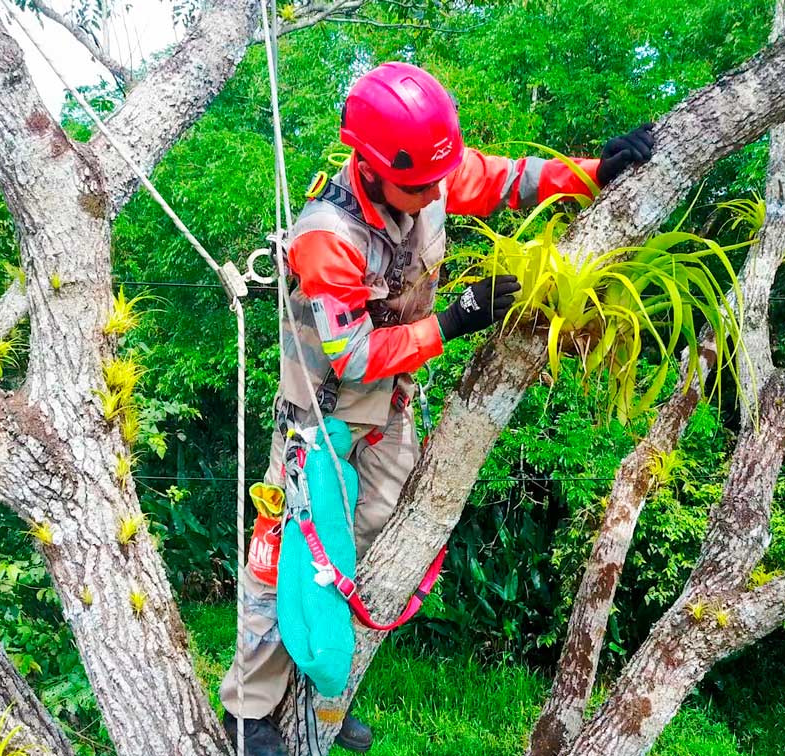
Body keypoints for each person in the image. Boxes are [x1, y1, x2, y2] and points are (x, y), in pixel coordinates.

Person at [220, 61, 654, 755]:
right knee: (286, 559)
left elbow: (509, 179)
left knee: (364, 548)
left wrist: (595, 172)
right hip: (320, 420)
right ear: (369, 163)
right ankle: (247, 712)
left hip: (390, 408)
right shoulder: (326, 234)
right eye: (416, 184)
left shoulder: (429, 177)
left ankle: (320, 691)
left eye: (434, 181)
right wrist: (458, 319)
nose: (430, 194)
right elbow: (352, 356)